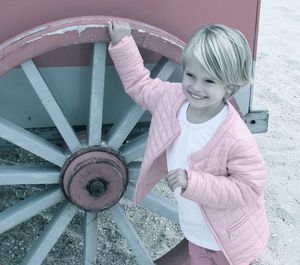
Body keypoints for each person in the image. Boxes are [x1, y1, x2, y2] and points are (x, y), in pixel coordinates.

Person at [107, 20, 269, 265]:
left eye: (209, 81)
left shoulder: (234, 135)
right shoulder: (172, 100)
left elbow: (249, 188)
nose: (195, 87)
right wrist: (123, 43)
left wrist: (192, 182)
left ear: (231, 86)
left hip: (227, 242)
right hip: (196, 234)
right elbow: (140, 85)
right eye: (190, 75)